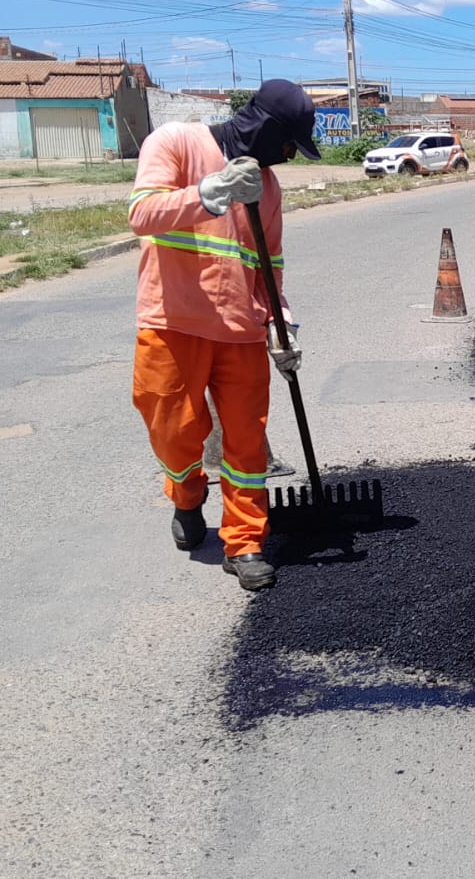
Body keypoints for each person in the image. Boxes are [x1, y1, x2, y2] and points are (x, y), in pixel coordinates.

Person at [126, 79, 321, 591]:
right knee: (173, 431)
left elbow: (269, 264)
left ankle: (245, 541)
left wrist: (283, 325)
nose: (288, 159)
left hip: (241, 331)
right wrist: (210, 194)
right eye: (287, 147)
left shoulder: (269, 189)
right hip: (172, 323)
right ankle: (187, 495)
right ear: (265, 129)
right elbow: (141, 214)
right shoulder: (174, 141)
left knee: (246, 442)